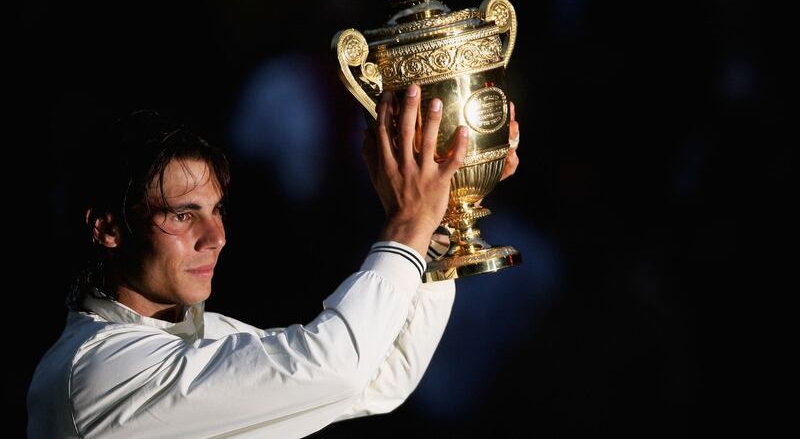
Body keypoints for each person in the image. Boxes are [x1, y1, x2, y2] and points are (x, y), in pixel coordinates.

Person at [27, 84, 520, 438]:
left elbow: (376, 379)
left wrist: (443, 215)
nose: (215, 237)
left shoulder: (207, 335)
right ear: (107, 228)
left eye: (216, 210)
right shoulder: (95, 372)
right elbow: (335, 367)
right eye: (181, 215)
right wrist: (408, 225)